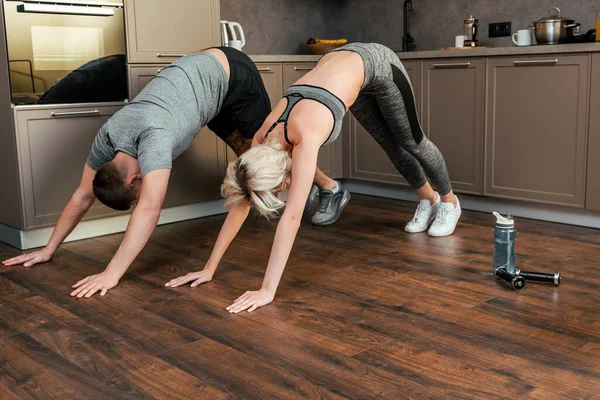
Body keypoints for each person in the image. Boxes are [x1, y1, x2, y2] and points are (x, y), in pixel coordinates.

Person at [2, 46, 339, 298]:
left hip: (231, 74)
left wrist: (111, 273)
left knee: (267, 150)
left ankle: (326, 187)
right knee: (247, 158)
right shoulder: (108, 138)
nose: (141, 196)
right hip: (204, 83)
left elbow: (149, 209)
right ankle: (299, 185)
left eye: (136, 194)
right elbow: (82, 193)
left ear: (134, 179)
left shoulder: (155, 142)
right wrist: (49, 249)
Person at [166, 42, 461, 313]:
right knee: (392, 148)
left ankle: (449, 202)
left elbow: (292, 218)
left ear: (283, 178)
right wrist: (209, 268)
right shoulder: (261, 138)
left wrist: (267, 290)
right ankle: (429, 200)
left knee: (412, 143)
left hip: (376, 65)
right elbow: (242, 201)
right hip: (341, 71)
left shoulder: (304, 137)